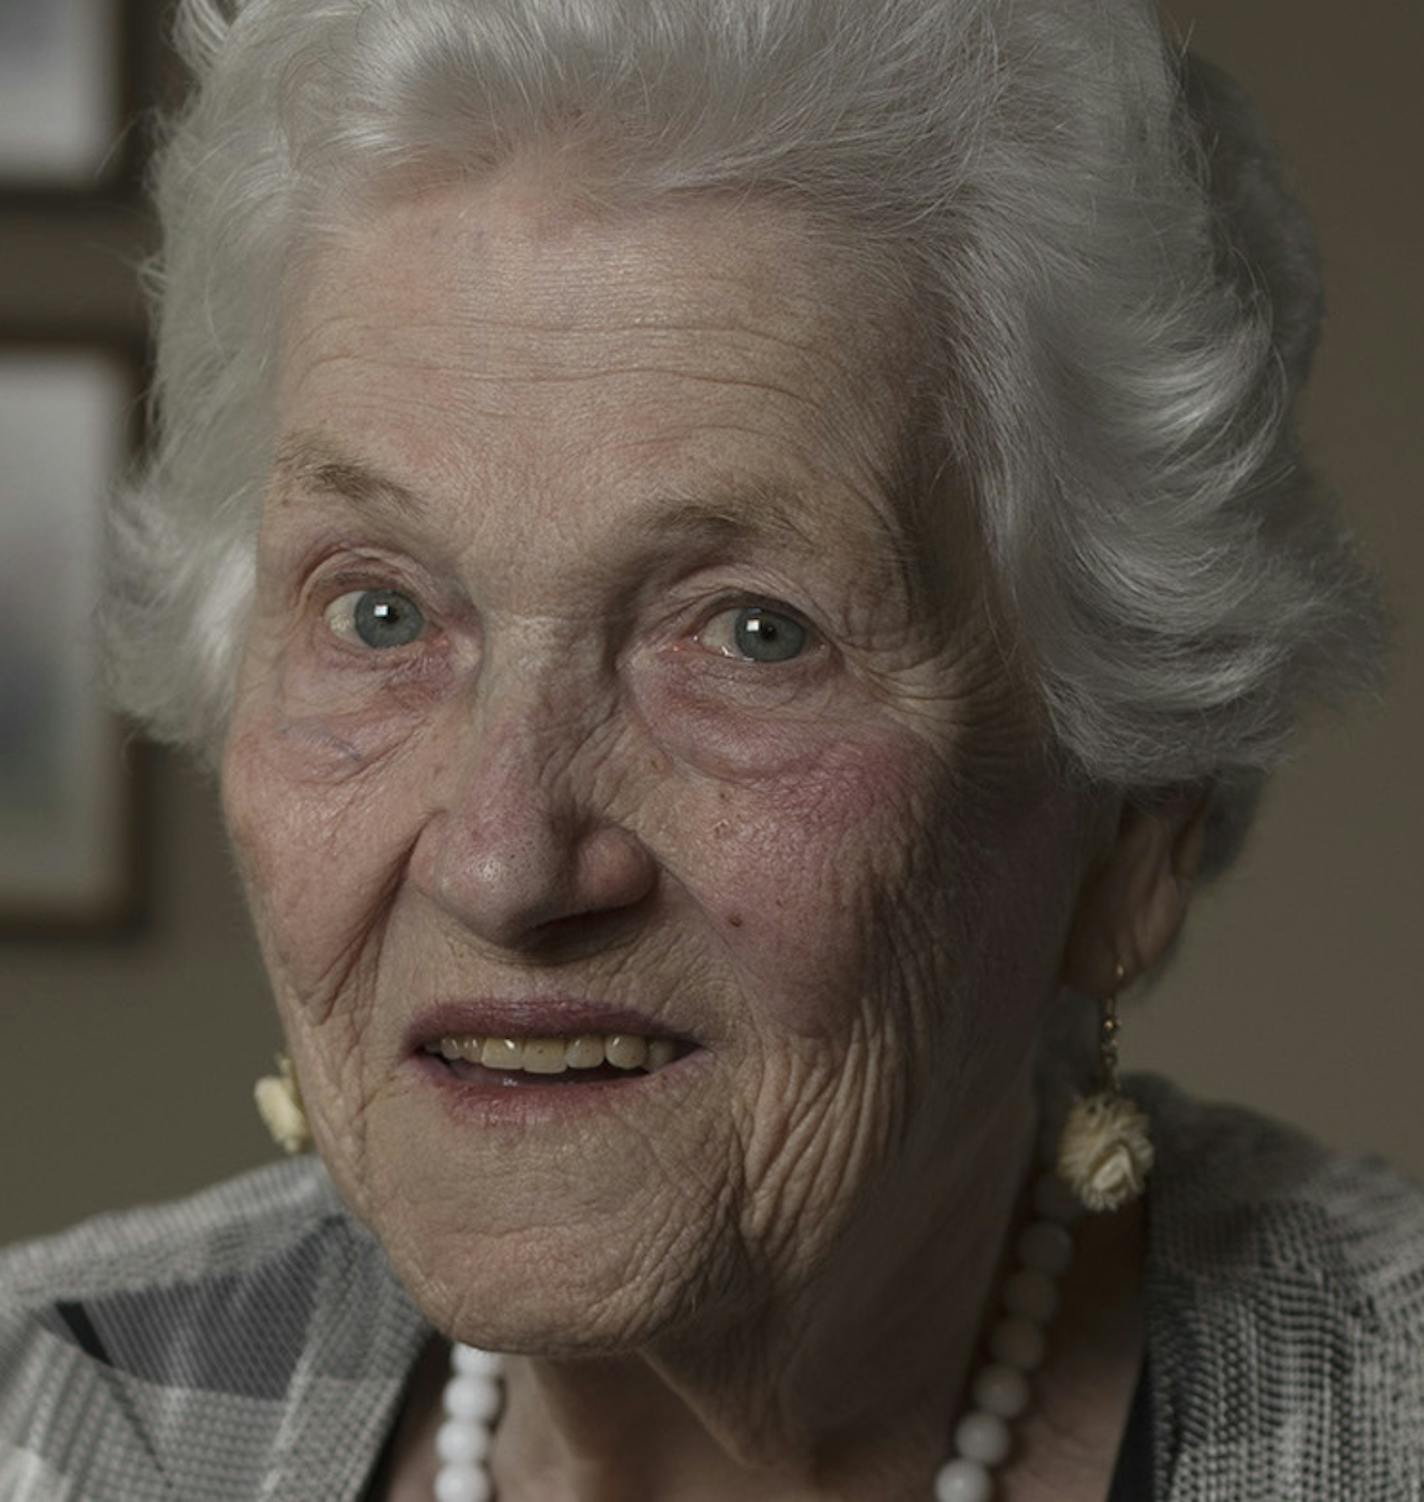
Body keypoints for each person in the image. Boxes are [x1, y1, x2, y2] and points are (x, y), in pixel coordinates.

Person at [3, 0, 1420, 1497]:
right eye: (377, 609)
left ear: (1138, 820)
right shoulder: (60, 1412)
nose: (503, 854)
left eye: (755, 633)